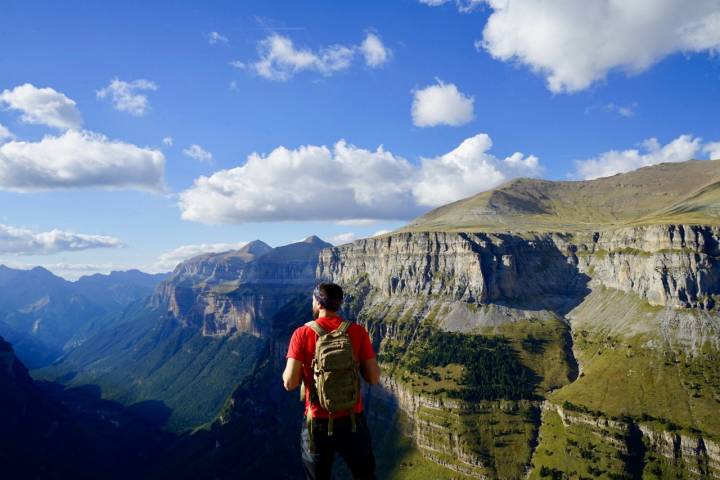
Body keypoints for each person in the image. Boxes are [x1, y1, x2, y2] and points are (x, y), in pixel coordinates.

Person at [283, 282, 381, 480]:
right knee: (365, 475)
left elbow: (289, 383)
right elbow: (373, 378)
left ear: (318, 304)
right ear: (339, 304)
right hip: (353, 420)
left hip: (317, 421)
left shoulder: (302, 334)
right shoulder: (357, 331)